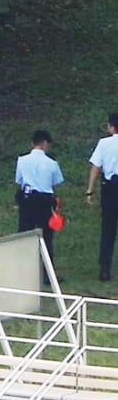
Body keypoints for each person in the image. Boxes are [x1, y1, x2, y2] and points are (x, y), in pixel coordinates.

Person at [14, 130, 64, 263]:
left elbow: (19, 180)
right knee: (47, 236)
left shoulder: (22, 160)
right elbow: (56, 182)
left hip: (27, 198)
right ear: (45, 143)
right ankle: (48, 272)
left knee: (25, 234)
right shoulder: (51, 163)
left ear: (33, 143)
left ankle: (24, 265)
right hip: (45, 200)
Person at [86, 113, 118, 281]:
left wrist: (90, 190)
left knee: (108, 229)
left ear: (111, 127)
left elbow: (95, 167)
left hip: (110, 187)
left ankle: (104, 268)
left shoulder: (104, 143)